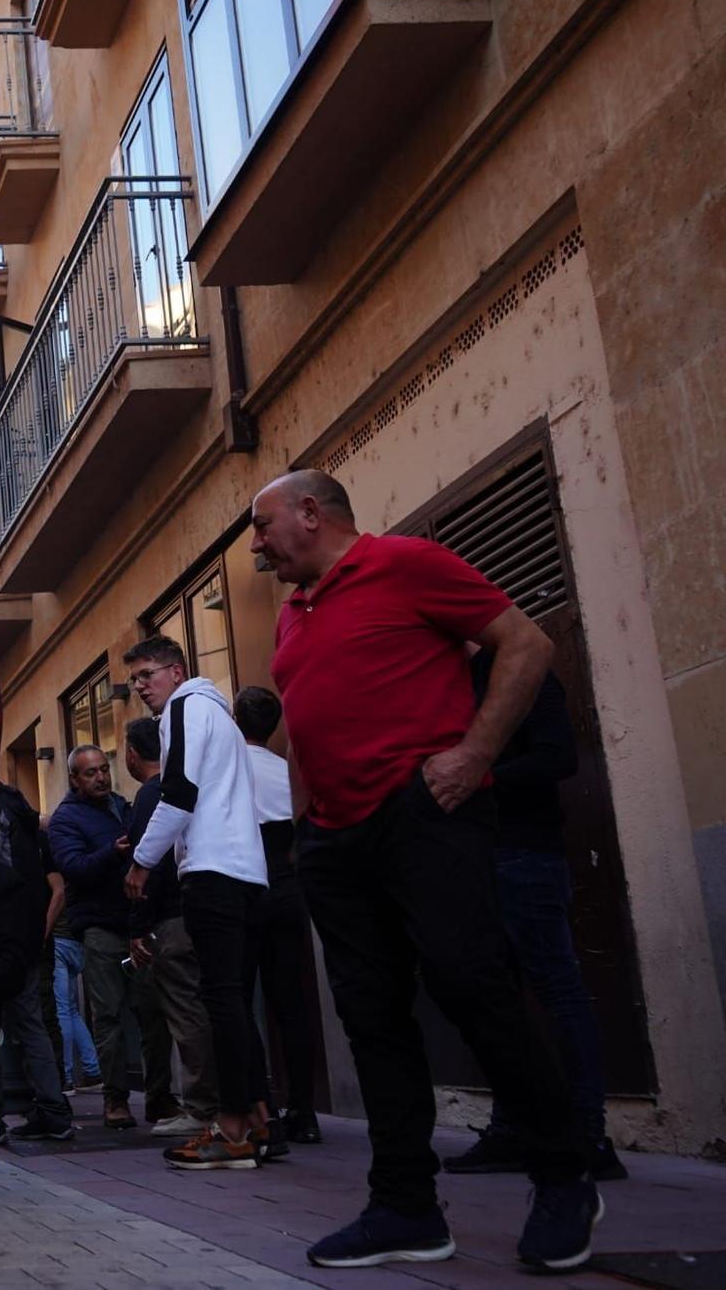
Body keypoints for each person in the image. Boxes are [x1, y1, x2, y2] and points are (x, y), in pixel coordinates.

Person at [252, 468, 597, 1272]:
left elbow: (528, 642)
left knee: (473, 985)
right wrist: (306, 818)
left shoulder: (405, 562)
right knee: (371, 1020)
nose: (259, 544)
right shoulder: (291, 616)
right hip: (337, 840)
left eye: (264, 525)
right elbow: (307, 720)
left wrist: (473, 752)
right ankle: (406, 1204)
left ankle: (565, 1171)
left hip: (424, 815)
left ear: (311, 512)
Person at [444, 652, 623, 1182]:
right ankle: (512, 1129)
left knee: (558, 990)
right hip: (479, 857)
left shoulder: (523, 671)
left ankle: (589, 1135)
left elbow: (557, 757)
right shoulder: (454, 682)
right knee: (496, 998)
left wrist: (476, 775)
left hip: (526, 853)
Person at [122, 637, 271, 1172]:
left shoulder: (185, 706)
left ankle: (230, 1130)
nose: (141, 686)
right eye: (135, 679)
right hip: (248, 871)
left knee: (221, 999)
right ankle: (257, 1119)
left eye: (148, 674)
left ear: (177, 671)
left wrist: (142, 860)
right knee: (233, 999)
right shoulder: (222, 716)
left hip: (214, 869)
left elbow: (178, 790)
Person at [50, 746, 173, 1130]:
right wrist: (112, 852)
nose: (101, 777)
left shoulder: (124, 806)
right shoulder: (66, 819)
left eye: (104, 769)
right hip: (101, 929)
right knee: (109, 1016)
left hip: (138, 923)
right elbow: (72, 868)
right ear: (75, 779)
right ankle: (115, 1099)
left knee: (153, 1013)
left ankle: (160, 1098)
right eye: (91, 773)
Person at [121, 716, 220, 1141]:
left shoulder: (152, 796)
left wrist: (139, 927)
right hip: (204, 906)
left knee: (185, 1011)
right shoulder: (188, 788)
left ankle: (202, 1106)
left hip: (171, 918)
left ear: (130, 753)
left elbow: (152, 864)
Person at [234, 685, 323, 1146]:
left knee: (237, 997)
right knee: (291, 1001)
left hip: (247, 880)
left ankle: (258, 1103)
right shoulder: (287, 769)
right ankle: (304, 1110)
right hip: (288, 883)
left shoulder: (230, 769)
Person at [0, 785, 76, 1143]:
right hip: (26, 935)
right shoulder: (26, 817)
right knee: (31, 1022)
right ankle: (52, 1108)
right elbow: (55, 886)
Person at [45, 862, 101, 1093]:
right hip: (76, 942)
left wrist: (43, 930)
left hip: (58, 941)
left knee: (61, 1010)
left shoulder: (54, 867)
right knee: (71, 1009)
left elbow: (58, 895)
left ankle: (65, 1075)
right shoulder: (76, 866)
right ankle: (92, 1071)